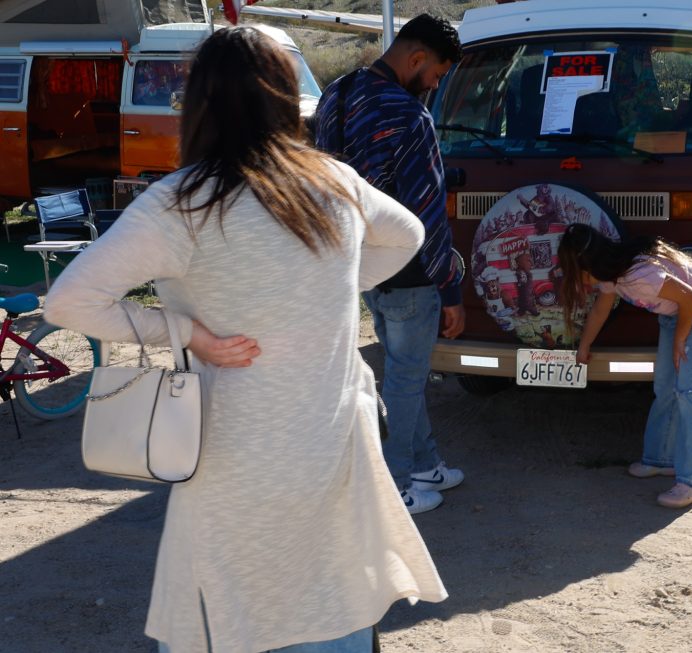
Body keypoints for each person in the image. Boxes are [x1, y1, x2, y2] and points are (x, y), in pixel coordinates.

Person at [43, 27, 447, 652]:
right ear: (287, 99)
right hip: (332, 444)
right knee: (334, 602)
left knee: (235, 615)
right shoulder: (335, 183)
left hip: (232, 455)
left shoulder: (180, 204)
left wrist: (183, 333)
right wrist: (335, 291)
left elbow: (70, 301)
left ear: (197, 104)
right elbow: (410, 234)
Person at [314, 14, 465, 515]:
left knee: (405, 373)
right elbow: (426, 211)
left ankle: (426, 465)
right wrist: (451, 287)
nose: (436, 85)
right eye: (438, 75)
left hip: (358, 264)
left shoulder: (337, 93)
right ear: (417, 58)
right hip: (409, 272)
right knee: (405, 380)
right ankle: (396, 485)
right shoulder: (409, 116)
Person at [557, 224, 692, 508]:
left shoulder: (640, 276)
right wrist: (584, 345)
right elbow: (601, 308)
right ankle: (660, 459)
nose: (579, 281)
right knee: (665, 386)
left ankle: (691, 483)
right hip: (676, 315)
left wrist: (680, 341)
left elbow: (689, 298)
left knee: (690, 393)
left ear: (590, 265)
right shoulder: (611, 275)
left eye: (576, 272)